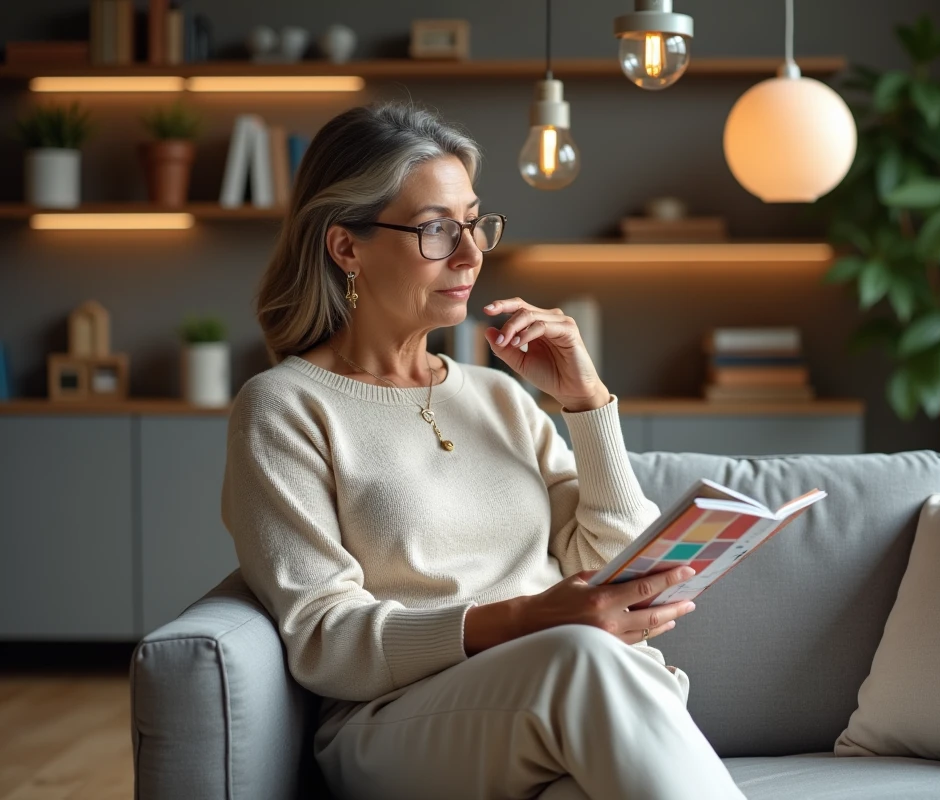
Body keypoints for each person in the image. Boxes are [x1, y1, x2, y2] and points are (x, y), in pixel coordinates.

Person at [220, 101, 747, 800]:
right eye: (437, 230)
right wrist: (525, 619)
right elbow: (324, 637)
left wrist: (586, 403)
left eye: (473, 223)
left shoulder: (498, 398)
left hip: (557, 700)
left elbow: (605, 567)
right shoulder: (285, 407)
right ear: (346, 247)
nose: (471, 254)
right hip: (395, 724)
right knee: (580, 661)